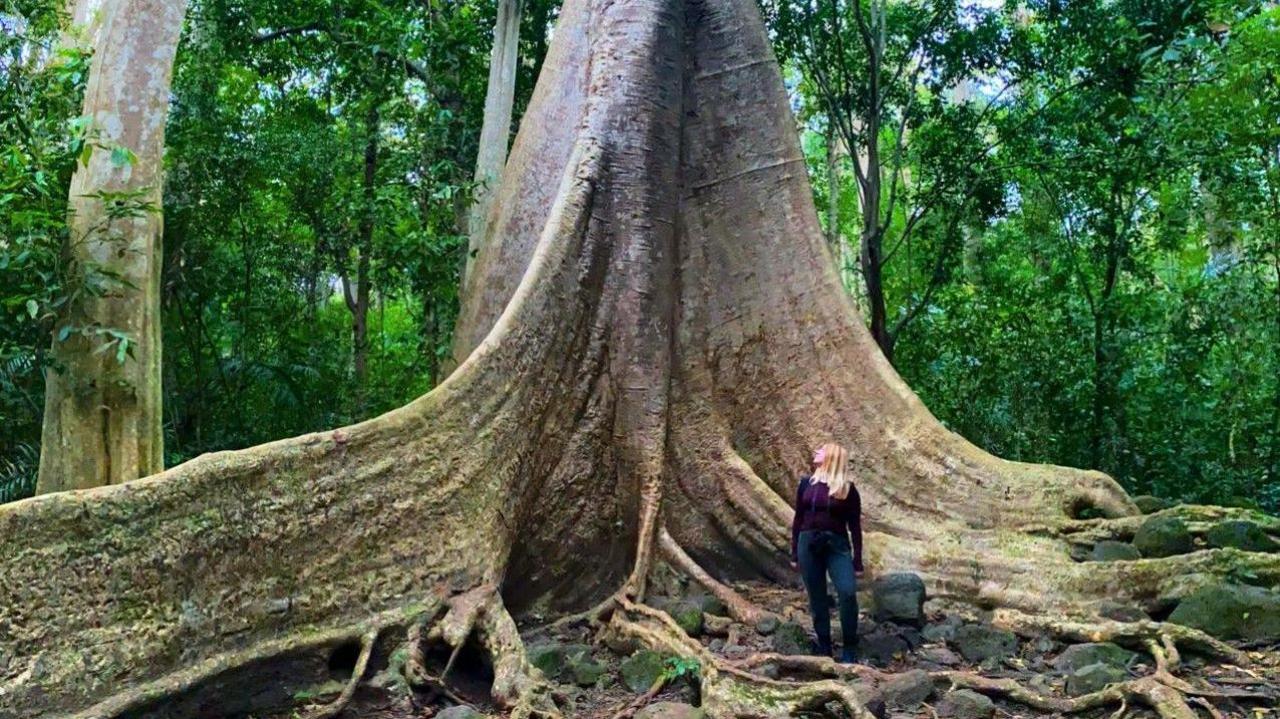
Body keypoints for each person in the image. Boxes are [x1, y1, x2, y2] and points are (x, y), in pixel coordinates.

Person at [791, 442, 864, 662]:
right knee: (817, 596)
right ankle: (824, 646)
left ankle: (849, 647)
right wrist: (794, 552)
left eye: (821, 450)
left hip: (837, 545)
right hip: (808, 543)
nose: (816, 452)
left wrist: (857, 561)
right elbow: (798, 520)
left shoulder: (848, 490)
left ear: (831, 457)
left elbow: (855, 527)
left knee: (847, 592)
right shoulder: (806, 484)